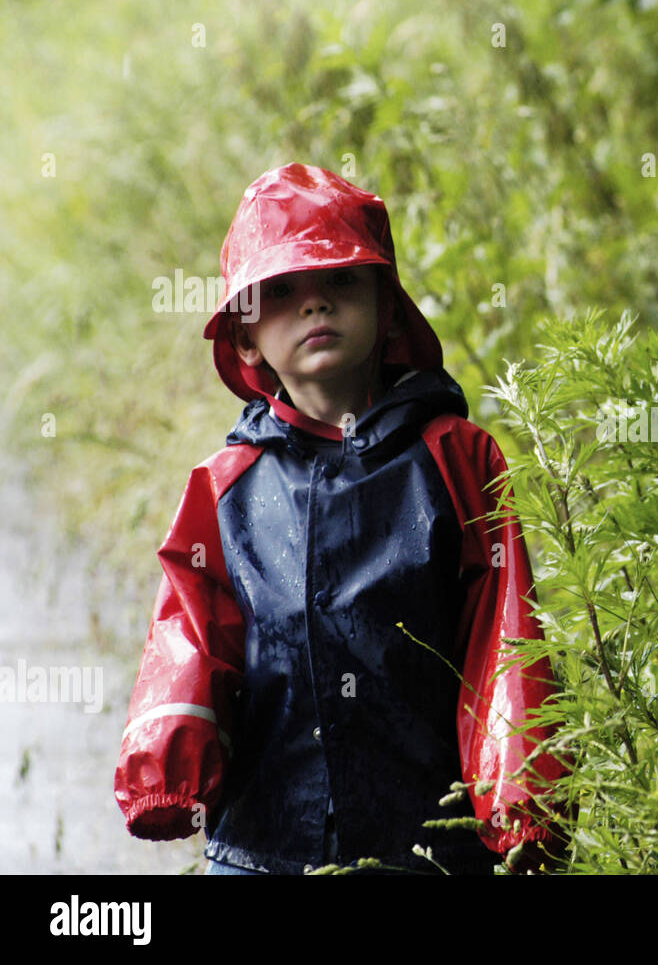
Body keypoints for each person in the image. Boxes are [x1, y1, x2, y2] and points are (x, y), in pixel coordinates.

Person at [113, 162, 570, 875]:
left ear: (388, 307)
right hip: (264, 845)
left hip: (427, 847)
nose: (315, 303)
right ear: (244, 339)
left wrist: (524, 795)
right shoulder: (226, 487)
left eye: (343, 281)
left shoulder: (455, 457)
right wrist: (167, 768)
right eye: (282, 290)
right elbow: (193, 636)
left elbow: (502, 635)